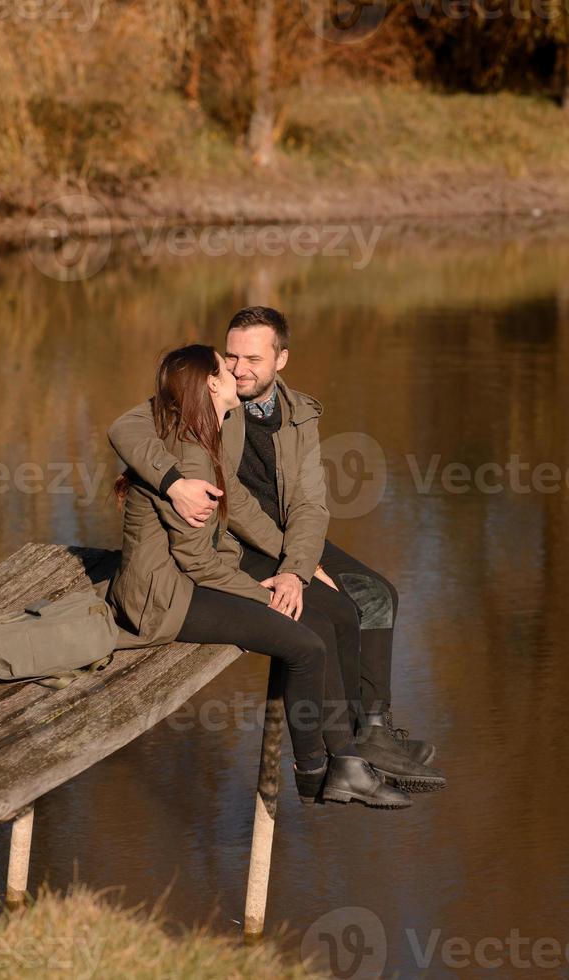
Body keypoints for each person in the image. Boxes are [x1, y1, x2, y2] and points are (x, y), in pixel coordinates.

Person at [108, 311, 446, 793]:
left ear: (281, 359)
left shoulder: (299, 414)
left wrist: (300, 562)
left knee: (376, 596)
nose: (239, 368)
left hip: (287, 536)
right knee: (328, 613)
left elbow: (311, 504)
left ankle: (372, 731)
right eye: (232, 356)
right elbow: (127, 428)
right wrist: (174, 482)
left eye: (252, 358)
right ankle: (342, 753)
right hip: (238, 542)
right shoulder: (208, 394)